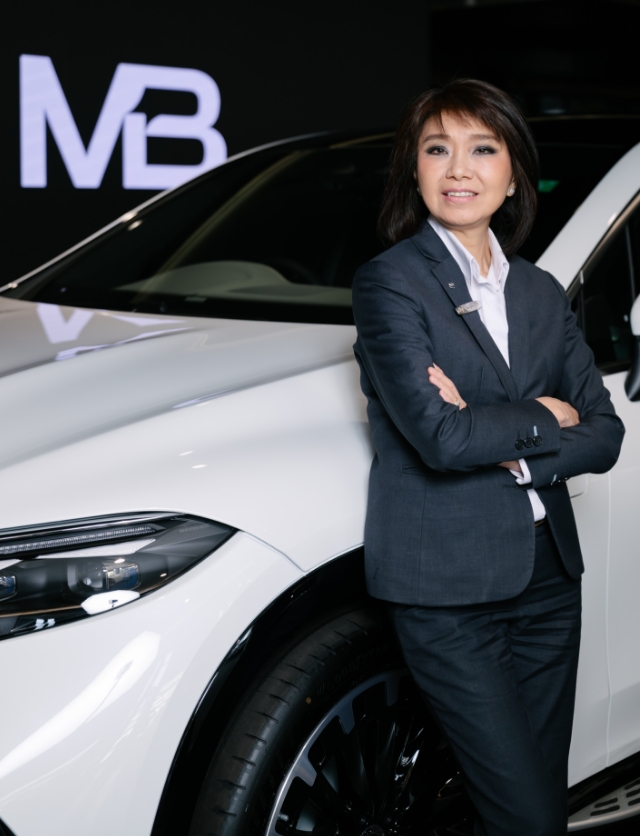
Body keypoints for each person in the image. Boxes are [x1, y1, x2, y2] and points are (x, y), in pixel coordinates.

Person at [351, 79, 625, 836]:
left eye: (483, 149)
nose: (458, 169)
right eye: (437, 149)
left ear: (513, 176)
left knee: (537, 802)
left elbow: (605, 434)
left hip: (549, 579)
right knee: (526, 817)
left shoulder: (539, 291)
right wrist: (544, 414)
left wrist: (494, 431)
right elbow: (441, 439)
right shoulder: (390, 283)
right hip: (448, 591)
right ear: (414, 170)